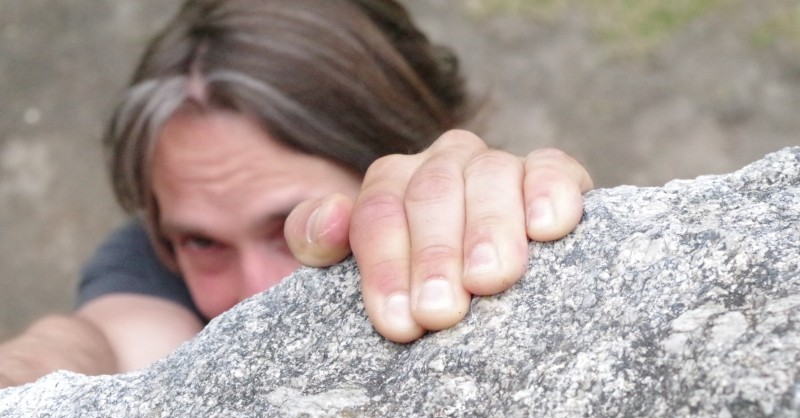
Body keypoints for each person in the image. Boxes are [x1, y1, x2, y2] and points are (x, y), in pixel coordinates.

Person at [0, 0, 593, 388]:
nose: (252, 292)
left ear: (401, 166)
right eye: (201, 242)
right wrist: (27, 373)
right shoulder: (146, 260)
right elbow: (109, 340)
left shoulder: (456, 204)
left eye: (290, 225)